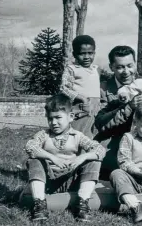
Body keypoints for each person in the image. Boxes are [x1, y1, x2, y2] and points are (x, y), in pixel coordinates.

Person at [24, 94, 105, 222]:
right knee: (33, 159)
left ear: (70, 117)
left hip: (72, 180)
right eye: (50, 118)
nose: (54, 122)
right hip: (49, 181)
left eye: (58, 117)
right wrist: (51, 157)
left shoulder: (78, 136)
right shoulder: (43, 135)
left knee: (93, 160)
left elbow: (100, 149)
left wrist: (83, 157)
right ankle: (39, 204)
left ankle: (82, 204)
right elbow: (30, 146)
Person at [94, 46, 142, 178]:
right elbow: (100, 124)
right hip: (113, 145)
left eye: (130, 66)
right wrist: (129, 106)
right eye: (120, 67)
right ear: (111, 67)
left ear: (135, 64)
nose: (126, 72)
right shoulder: (103, 90)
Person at [60, 35, 101, 139]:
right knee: (77, 136)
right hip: (79, 110)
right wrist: (81, 98)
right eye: (82, 53)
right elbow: (63, 88)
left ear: (94, 53)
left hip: (95, 110)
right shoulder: (72, 69)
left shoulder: (96, 69)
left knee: (92, 137)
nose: (87, 57)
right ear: (74, 54)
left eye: (90, 53)